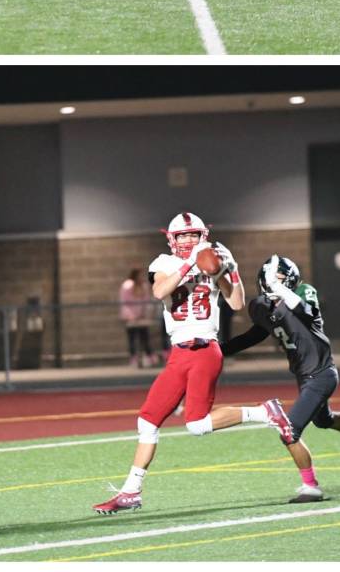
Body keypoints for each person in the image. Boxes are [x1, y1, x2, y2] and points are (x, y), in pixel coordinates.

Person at [92, 212, 244, 514]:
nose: (188, 240)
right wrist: (192, 264)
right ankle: (131, 492)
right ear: (171, 239)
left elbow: (237, 304)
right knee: (147, 421)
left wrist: (231, 271)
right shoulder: (163, 263)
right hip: (178, 353)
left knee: (198, 425)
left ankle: (265, 412)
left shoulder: (214, 260)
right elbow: (160, 290)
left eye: (193, 235)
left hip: (204, 348)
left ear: (203, 235)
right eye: (183, 235)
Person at [207, 255, 340, 504]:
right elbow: (254, 335)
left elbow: (306, 311)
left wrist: (280, 289)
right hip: (304, 376)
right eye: (271, 279)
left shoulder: (303, 292)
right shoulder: (261, 306)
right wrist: (218, 350)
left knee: (289, 430)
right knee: (324, 420)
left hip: (322, 373)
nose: (273, 283)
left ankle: (311, 486)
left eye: (279, 279)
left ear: (288, 281)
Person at [119, 269, 158, 368]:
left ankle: (149, 356)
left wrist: (146, 313)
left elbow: (146, 301)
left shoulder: (143, 286)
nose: (142, 278)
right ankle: (134, 358)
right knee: (132, 338)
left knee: (144, 336)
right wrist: (130, 316)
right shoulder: (127, 285)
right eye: (140, 275)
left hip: (141, 317)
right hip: (131, 318)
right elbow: (124, 302)